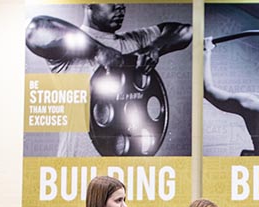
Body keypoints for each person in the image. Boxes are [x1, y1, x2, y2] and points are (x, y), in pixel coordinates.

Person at [25, 3, 192, 156]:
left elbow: (188, 31)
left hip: (125, 171)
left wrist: (155, 46)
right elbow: (35, 30)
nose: (120, 6)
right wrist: (98, 51)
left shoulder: (136, 40)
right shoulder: (68, 45)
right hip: (79, 168)